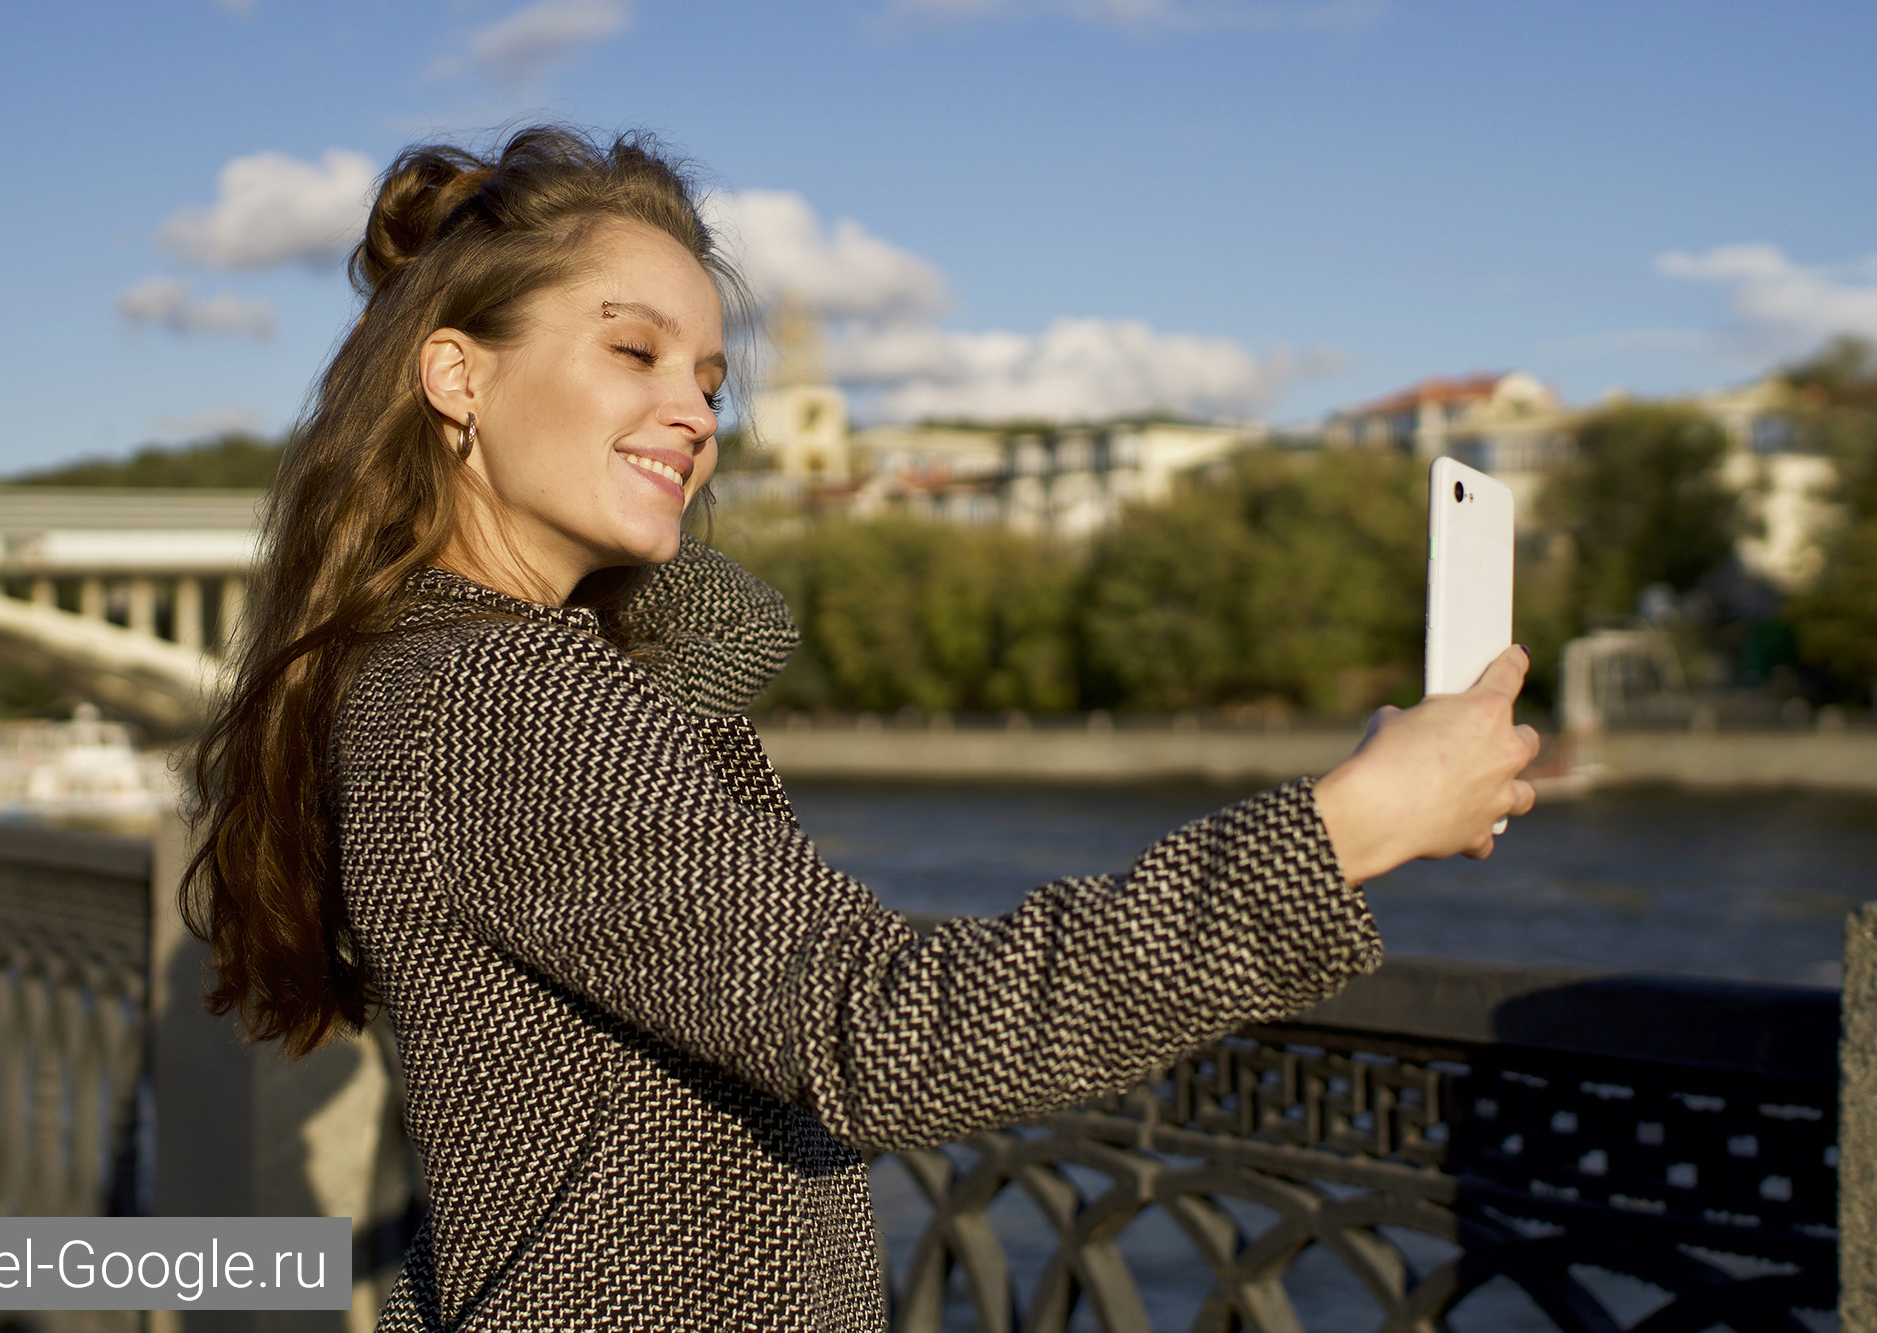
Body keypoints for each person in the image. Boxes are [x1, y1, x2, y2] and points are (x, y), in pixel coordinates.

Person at [183, 125, 1539, 1331]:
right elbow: (889, 1032)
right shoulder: (515, 695)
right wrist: (1348, 827)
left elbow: (725, 640)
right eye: (631, 348)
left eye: (711, 378)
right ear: (457, 377)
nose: (695, 410)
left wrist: (605, 497)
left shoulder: (419, 674)